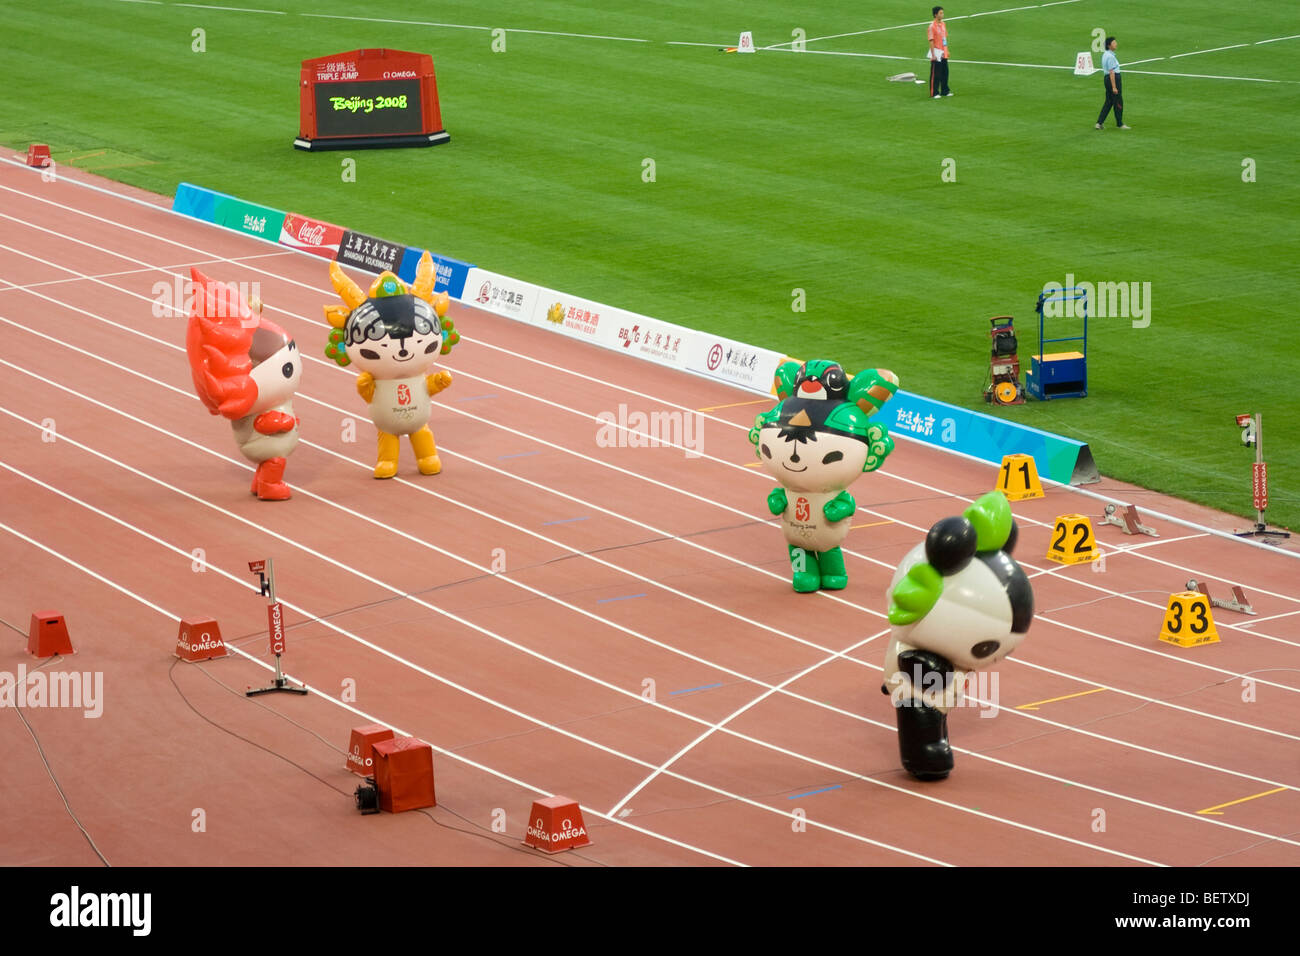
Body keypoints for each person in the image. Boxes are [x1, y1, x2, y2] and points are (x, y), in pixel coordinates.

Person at [1096, 36, 1130, 129]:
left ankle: (1099, 123)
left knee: (1109, 101)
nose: (1116, 44)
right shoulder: (1110, 57)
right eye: (1114, 43)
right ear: (1109, 45)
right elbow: (1112, 72)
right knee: (1118, 101)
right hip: (1113, 79)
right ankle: (1120, 124)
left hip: (1107, 79)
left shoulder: (1105, 54)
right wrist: (1114, 87)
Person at [928, 6, 951, 98]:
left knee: (945, 72)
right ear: (935, 14)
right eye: (940, 13)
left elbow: (944, 38)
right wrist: (933, 54)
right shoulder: (931, 27)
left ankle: (945, 91)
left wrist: (947, 50)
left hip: (943, 52)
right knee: (935, 74)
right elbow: (931, 41)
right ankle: (934, 92)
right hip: (937, 53)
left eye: (943, 13)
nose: (942, 15)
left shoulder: (943, 24)